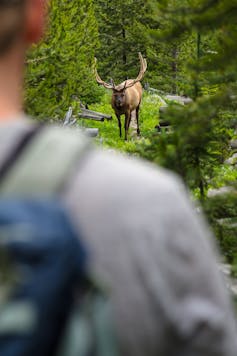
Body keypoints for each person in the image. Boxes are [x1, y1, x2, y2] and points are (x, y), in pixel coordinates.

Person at [0, 1, 236, 355]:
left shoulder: (133, 95)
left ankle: (129, 134)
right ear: (36, 18)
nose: (119, 97)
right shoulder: (154, 204)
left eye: (120, 93)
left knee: (130, 122)